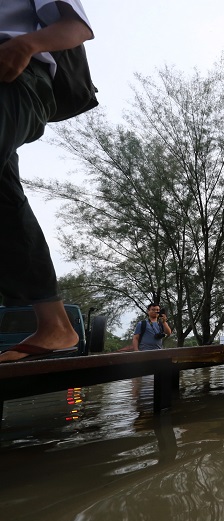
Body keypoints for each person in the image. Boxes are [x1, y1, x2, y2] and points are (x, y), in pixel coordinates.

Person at [0, 1, 94, 363]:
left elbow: (77, 27)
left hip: (17, 75)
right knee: (5, 202)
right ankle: (55, 325)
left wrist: (26, 45)